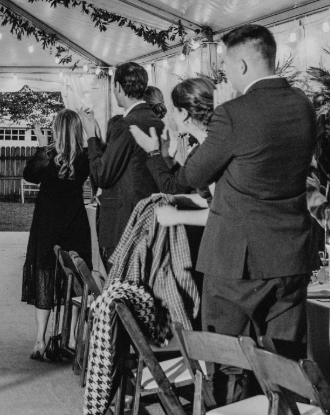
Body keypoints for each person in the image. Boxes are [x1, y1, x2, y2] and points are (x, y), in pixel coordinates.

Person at [145, 25, 316, 361]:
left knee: (227, 363)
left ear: (241, 66)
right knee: (284, 361)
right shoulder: (302, 105)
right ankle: (278, 414)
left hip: (237, 262)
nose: (224, 73)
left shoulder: (233, 112)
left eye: (225, 65)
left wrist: (224, 115)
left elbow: (191, 175)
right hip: (292, 255)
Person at [22, 109, 92, 360]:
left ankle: (40, 339)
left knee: (44, 273)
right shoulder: (85, 157)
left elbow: (29, 175)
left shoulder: (48, 154)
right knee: (76, 277)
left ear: (56, 128)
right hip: (74, 220)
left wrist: (41, 147)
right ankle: (71, 338)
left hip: (48, 221)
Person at [87, 62, 164, 272]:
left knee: (121, 289)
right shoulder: (155, 120)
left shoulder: (126, 124)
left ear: (119, 87)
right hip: (150, 216)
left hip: (123, 222)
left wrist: (92, 138)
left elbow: (102, 175)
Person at [131, 77, 216, 265]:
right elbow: (203, 195)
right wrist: (174, 197)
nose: (171, 115)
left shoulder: (212, 151)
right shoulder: (203, 147)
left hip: (216, 248)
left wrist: (176, 216)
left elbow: (222, 211)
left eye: (174, 110)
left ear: (184, 114)